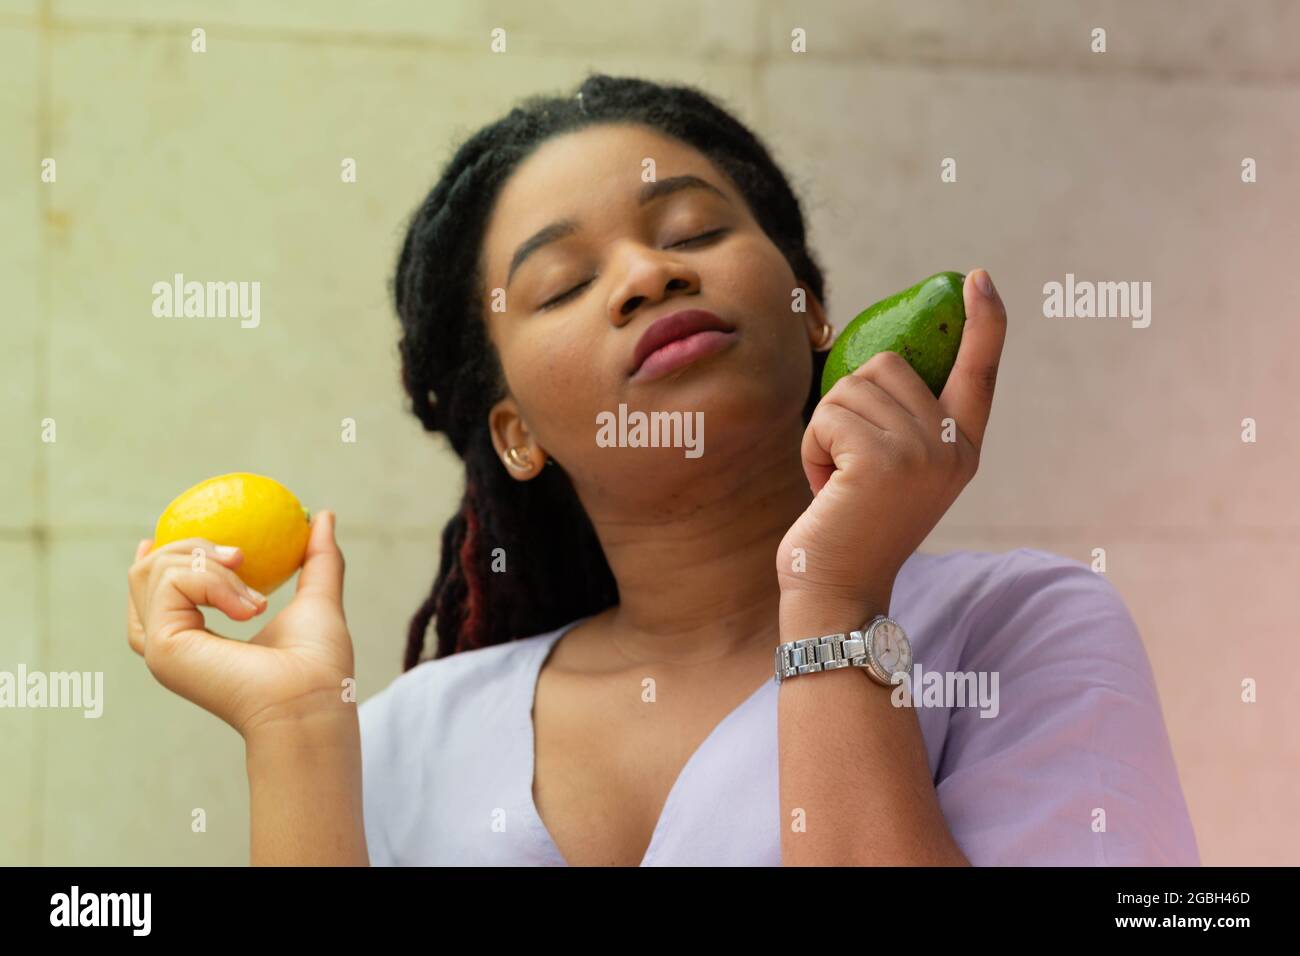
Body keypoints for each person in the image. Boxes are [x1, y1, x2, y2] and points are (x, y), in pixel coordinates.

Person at [126, 73, 1199, 867]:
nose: (648, 273)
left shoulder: (1021, 629)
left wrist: (832, 598)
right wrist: (299, 731)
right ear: (514, 432)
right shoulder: (408, 735)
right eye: (560, 285)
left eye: (691, 226)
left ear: (812, 309)